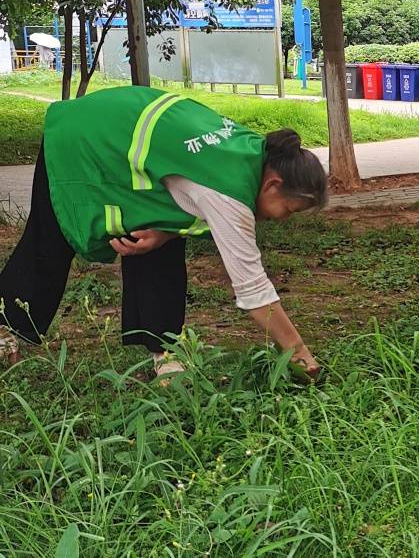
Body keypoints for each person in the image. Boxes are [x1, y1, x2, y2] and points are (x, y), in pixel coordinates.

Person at [0, 86, 327, 378]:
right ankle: (5, 328)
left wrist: (166, 233)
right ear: (274, 184)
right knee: (51, 239)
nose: (283, 219)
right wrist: (298, 350)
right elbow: (253, 288)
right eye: (289, 210)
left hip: (115, 128)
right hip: (83, 138)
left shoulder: (252, 150)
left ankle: (164, 350)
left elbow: (186, 194)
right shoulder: (230, 192)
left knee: (154, 240)